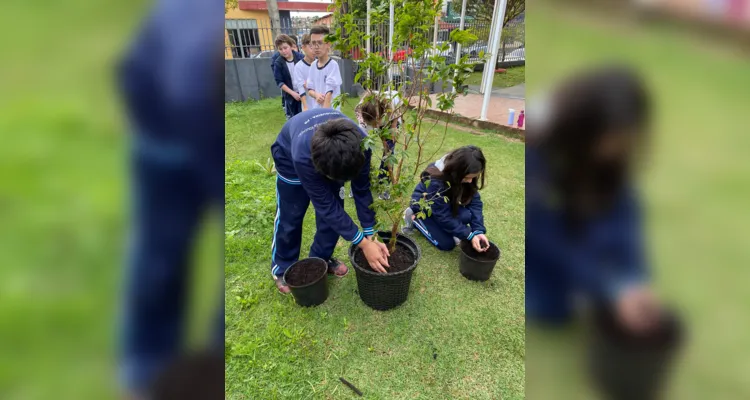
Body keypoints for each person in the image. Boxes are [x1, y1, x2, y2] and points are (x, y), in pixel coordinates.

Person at [117, 0, 224, 398]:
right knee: (161, 256)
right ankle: (146, 370)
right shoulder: (191, 82)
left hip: (197, 114)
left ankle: (213, 364)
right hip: (162, 132)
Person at [525, 65, 661, 333]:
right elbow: (539, 232)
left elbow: (625, 211)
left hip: (574, 216)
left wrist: (634, 279)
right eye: (615, 139)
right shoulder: (540, 145)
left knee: (606, 241)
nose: (620, 148)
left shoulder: (610, 154)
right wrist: (609, 285)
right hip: (541, 243)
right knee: (552, 309)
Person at [270, 108, 391, 294]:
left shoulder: (363, 145)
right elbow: (325, 205)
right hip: (289, 157)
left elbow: (362, 189)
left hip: (330, 157)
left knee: (333, 217)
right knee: (291, 214)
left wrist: (371, 233)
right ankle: (282, 266)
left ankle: (321, 258)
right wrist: (364, 244)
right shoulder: (302, 156)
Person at [403, 146, 490, 252]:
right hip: (425, 206)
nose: (470, 181)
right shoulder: (436, 180)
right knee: (447, 244)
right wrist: (468, 235)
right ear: (457, 171)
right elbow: (442, 215)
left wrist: (478, 230)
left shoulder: (465, 172)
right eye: (467, 178)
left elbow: (475, 202)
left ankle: (441, 227)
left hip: (443, 206)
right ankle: (414, 218)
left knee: (466, 216)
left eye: (473, 177)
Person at [352, 90, 402, 199]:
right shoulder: (360, 110)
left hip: (390, 120)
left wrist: (392, 130)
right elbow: (364, 137)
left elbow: (395, 117)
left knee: (389, 153)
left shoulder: (389, 102)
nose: (376, 126)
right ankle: (359, 183)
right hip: (371, 118)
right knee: (362, 150)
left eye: (376, 123)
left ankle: (383, 185)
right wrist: (375, 126)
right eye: (373, 124)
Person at [305, 25, 342, 111]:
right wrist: (316, 95)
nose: (316, 46)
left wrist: (325, 116)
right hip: (317, 110)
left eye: (320, 42)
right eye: (313, 43)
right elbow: (310, 89)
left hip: (331, 112)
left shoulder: (333, 65)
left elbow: (329, 94)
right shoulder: (313, 66)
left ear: (328, 44)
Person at [273, 34, 304, 119]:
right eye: (280, 49)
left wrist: (303, 92)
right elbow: (279, 82)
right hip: (291, 96)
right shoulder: (278, 63)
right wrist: (293, 93)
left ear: (291, 46)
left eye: (285, 48)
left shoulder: (301, 58)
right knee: (293, 119)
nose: (283, 51)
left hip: (304, 93)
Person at [293, 34, 316, 112]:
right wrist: (305, 107)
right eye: (310, 46)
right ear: (303, 47)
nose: (314, 50)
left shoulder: (319, 64)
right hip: (308, 105)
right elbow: (301, 87)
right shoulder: (299, 67)